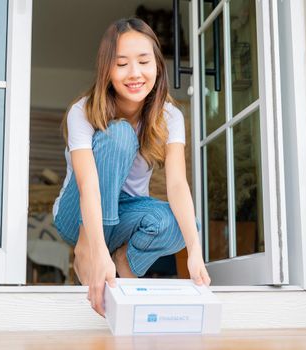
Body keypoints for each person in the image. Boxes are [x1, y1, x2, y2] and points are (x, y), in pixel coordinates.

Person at [52, 18, 211, 317]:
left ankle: (122, 261)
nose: (135, 73)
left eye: (143, 61)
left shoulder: (170, 116)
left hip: (127, 213)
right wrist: (96, 250)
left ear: (157, 66)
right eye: (122, 63)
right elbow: (87, 186)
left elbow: (177, 185)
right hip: (79, 215)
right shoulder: (83, 111)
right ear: (107, 70)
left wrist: (195, 252)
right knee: (120, 134)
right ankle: (89, 250)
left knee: (184, 224)